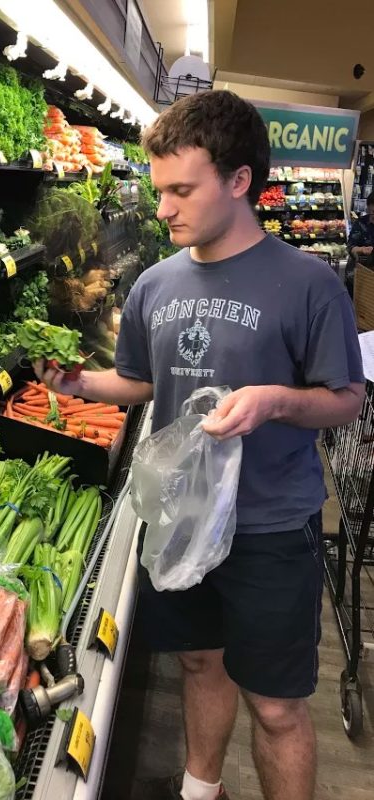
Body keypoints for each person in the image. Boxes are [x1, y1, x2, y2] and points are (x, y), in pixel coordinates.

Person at [36, 90, 364, 800]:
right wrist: (75, 383)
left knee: (276, 707)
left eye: (180, 190)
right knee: (195, 665)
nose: (162, 209)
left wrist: (275, 400)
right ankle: (197, 788)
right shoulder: (155, 284)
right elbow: (141, 382)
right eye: (158, 191)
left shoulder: (308, 286)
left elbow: (345, 399)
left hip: (270, 527)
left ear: (238, 180)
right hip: (177, 518)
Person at [346, 192, 374, 296]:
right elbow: (350, 246)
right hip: (358, 276)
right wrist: (361, 250)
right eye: (372, 212)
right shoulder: (360, 223)